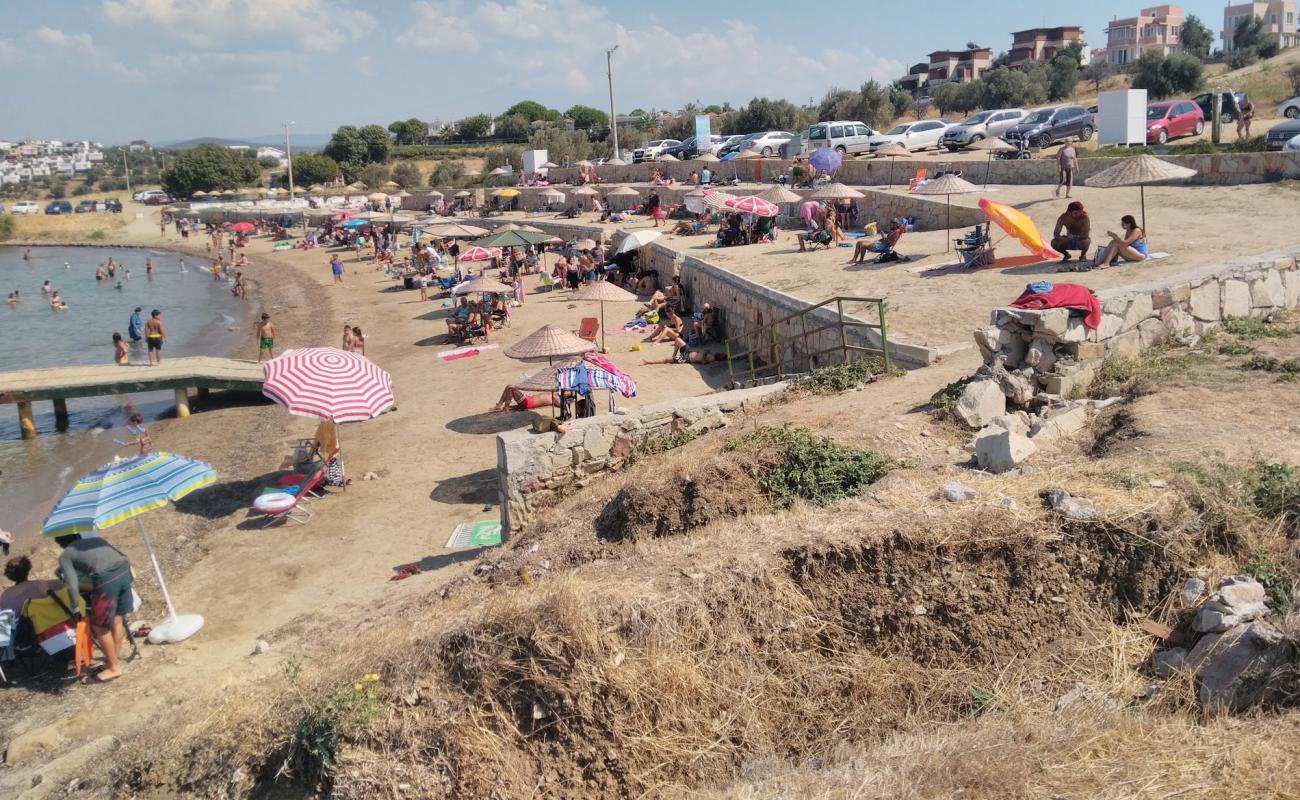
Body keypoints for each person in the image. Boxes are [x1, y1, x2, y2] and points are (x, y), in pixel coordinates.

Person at [54, 534, 134, 682]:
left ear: (61, 544)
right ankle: (112, 661)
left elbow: (71, 584)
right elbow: (122, 555)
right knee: (117, 619)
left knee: (99, 626)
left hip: (106, 577)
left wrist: (76, 608)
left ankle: (114, 669)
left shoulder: (65, 555)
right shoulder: (96, 541)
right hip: (124, 569)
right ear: (78, 536)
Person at [641, 334, 724, 365]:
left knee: (667, 360)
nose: (720, 353)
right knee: (677, 339)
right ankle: (674, 354)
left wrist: (705, 353)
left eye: (721, 354)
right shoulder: (712, 354)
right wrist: (706, 352)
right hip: (689, 351)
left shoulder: (711, 359)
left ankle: (648, 362)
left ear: (719, 358)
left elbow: (703, 361)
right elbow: (705, 351)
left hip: (686, 358)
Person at [492, 386, 560, 412]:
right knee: (508, 386)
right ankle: (500, 404)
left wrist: (565, 399)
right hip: (527, 399)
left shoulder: (556, 398)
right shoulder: (552, 392)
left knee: (510, 388)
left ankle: (505, 407)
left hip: (527, 403)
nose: (566, 392)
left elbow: (562, 405)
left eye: (568, 392)